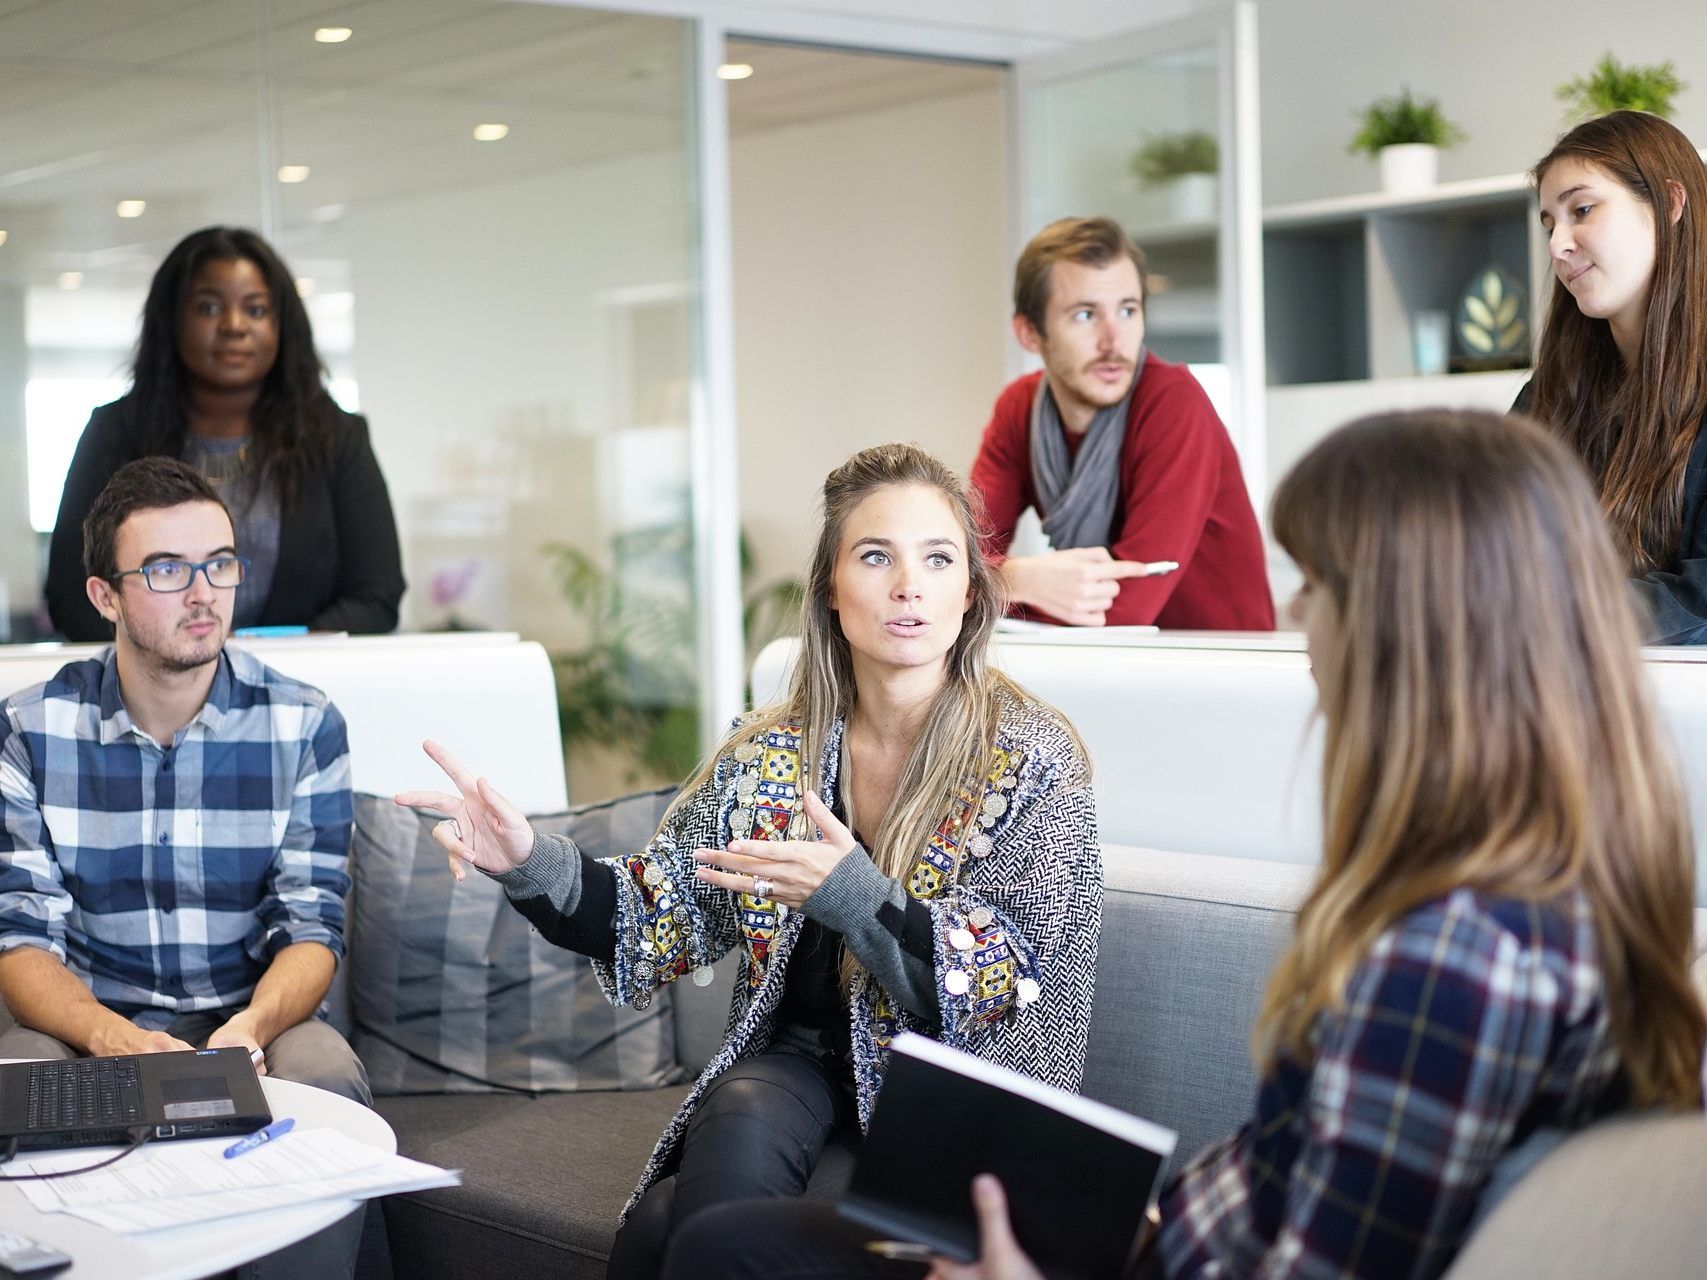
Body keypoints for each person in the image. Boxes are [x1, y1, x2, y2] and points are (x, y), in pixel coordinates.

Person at [666, 409, 1707, 1280]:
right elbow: (1300, 1180)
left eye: (1323, 583)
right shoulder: (1529, 888)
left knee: (728, 1251)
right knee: (716, 1234)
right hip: (1155, 1239)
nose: (1297, 614)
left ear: (1413, 627)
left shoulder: (1454, 956)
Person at [397, 443, 1101, 1278]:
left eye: (937, 558)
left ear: (969, 595)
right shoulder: (772, 752)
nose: (908, 584)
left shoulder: (1031, 757)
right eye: (875, 556)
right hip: (799, 1067)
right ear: (831, 591)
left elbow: (1004, 983)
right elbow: (652, 913)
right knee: (735, 1114)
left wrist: (851, 895)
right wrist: (524, 860)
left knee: (667, 1225)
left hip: (955, 1099)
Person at [0, 458, 370, 1276]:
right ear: (105, 596)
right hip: (89, 1018)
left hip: (252, 1016)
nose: (203, 593)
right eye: (166, 569)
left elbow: (311, 926)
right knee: (20, 1073)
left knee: (328, 1075)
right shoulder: (28, 730)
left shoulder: (305, 724)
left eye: (220, 564)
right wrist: (116, 1039)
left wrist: (251, 1029)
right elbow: (19, 942)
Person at [45, 225, 404, 641]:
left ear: (283, 326)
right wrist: (182, 652)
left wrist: (268, 657)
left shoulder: (337, 439)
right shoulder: (115, 434)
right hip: (152, 695)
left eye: (256, 310)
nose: (234, 326)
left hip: (300, 687)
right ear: (172, 320)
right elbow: (71, 598)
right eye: (209, 308)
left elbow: (376, 596)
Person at [968, 216, 1273, 630]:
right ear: (1029, 334)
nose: (1114, 341)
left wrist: (991, 585)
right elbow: (954, 559)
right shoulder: (1019, 409)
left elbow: (1127, 607)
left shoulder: (1173, 402)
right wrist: (1016, 578)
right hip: (1105, 666)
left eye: (1127, 310)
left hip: (1218, 670)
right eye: (1084, 315)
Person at [1518, 110, 1707, 643]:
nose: (1558, 245)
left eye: (1582, 209)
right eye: (1550, 224)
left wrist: (1558, 621)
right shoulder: (1548, 397)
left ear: (1670, 203)